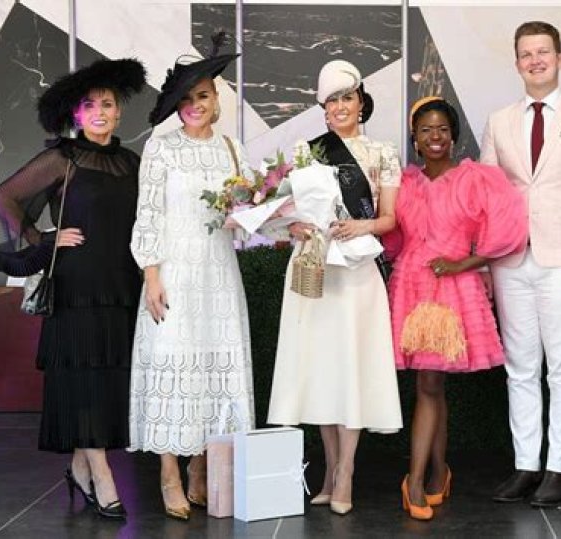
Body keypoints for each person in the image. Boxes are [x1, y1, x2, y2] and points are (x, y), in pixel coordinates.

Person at [0, 59, 147, 518]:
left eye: (107, 104)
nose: (99, 112)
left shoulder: (132, 163)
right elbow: (2, 198)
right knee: (82, 380)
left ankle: (79, 468)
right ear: (77, 115)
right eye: (89, 106)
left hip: (121, 285)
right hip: (76, 286)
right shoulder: (64, 158)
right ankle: (102, 474)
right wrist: (42, 238)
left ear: (119, 112)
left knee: (105, 381)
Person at [480, 21, 561, 507]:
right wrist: (484, 264)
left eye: (543, 52)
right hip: (510, 259)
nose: (534, 60)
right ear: (517, 63)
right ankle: (526, 465)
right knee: (520, 368)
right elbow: (487, 198)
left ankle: (559, 468)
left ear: (559, 58)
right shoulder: (499, 120)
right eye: (526, 54)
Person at [267, 59, 403, 515]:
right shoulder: (307, 152)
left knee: (352, 370)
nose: (340, 107)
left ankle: (346, 472)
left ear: (361, 102)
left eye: (347, 98)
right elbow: (284, 211)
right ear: (323, 109)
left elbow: (389, 219)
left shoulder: (382, 152)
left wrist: (361, 224)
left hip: (358, 273)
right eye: (332, 101)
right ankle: (328, 471)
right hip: (315, 270)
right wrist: (293, 226)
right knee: (323, 371)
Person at [127, 50, 255, 521]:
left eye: (202, 96)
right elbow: (148, 213)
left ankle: (201, 467)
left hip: (219, 274)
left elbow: (245, 214)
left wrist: (257, 212)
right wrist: (152, 274)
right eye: (185, 99)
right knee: (173, 367)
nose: (194, 106)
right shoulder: (161, 148)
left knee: (213, 369)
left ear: (216, 98)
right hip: (175, 273)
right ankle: (169, 474)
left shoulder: (233, 149)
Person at [387, 96, 527, 520]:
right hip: (411, 287)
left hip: (451, 289)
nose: (435, 137)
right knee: (431, 384)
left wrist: (461, 263)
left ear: (453, 136)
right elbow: (392, 235)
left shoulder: (475, 179)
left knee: (431, 382)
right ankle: (437, 472)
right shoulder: (404, 182)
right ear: (414, 138)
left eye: (442, 130)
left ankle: (414, 480)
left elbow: (508, 230)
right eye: (426, 130)